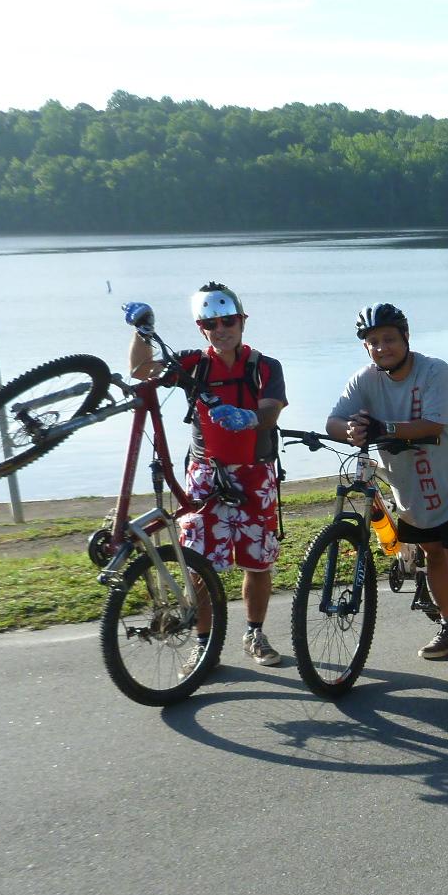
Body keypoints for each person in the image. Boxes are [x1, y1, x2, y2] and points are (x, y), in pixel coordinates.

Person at [125, 282, 288, 669]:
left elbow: (270, 411)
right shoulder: (193, 365)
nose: (221, 329)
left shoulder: (265, 366)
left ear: (242, 321)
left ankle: (255, 634)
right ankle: (205, 644)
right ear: (202, 328)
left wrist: (248, 418)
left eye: (228, 320)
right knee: (198, 562)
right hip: (206, 477)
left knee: (257, 562)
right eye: (211, 323)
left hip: (255, 474)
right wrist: (141, 333)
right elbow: (140, 370)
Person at [327, 303, 448, 680]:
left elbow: (432, 423)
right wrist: (350, 431)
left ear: (406, 339)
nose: (382, 347)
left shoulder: (435, 371)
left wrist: (384, 428)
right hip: (410, 488)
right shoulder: (364, 379)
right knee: (432, 557)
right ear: (365, 347)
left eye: (389, 339)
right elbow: (334, 419)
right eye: (373, 342)